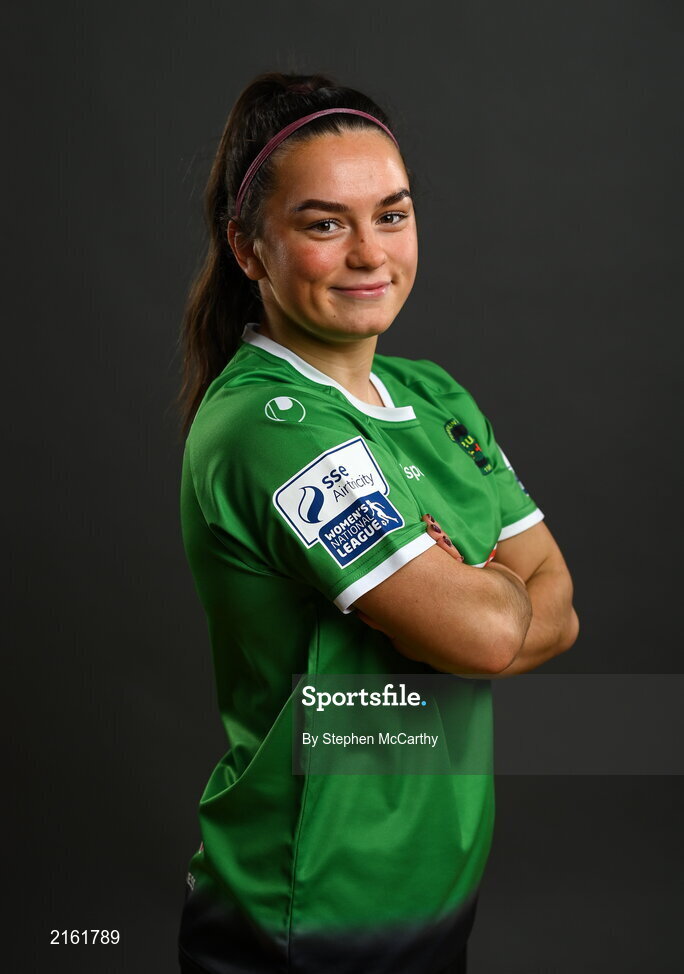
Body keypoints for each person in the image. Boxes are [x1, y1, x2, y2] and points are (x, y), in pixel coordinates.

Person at [175, 71, 579, 974]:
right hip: (307, 910)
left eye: (391, 215)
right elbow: (485, 636)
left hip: (435, 887)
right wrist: (494, 595)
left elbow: (563, 607)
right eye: (325, 224)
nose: (370, 254)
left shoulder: (436, 397)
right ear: (249, 250)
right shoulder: (268, 425)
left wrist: (481, 597)